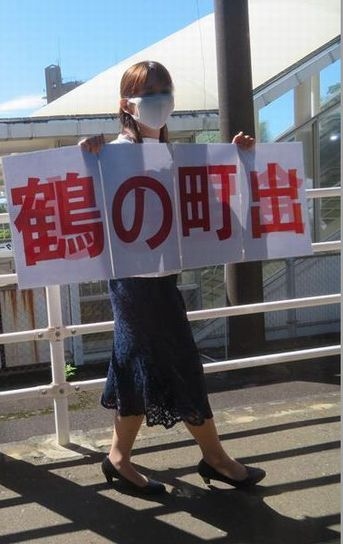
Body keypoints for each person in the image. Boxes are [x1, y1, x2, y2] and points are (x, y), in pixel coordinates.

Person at [80, 60, 264, 495]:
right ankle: (215, 458)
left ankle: (119, 458)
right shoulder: (110, 153)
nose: (160, 101)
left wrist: (237, 156)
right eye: (149, 93)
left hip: (160, 279)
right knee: (177, 362)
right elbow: (85, 198)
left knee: (136, 364)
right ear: (126, 104)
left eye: (165, 91)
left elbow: (211, 203)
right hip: (133, 281)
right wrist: (84, 153)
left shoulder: (173, 154)